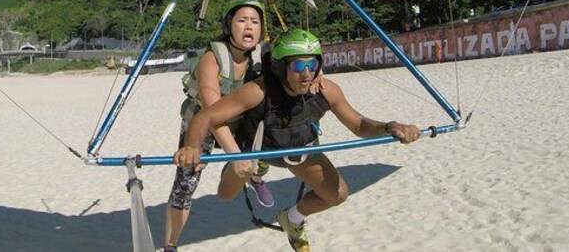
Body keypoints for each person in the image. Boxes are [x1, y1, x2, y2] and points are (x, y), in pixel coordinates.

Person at [174, 29, 421, 252]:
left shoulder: (325, 89)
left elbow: (358, 124)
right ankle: (255, 168)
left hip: (297, 149)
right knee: (226, 194)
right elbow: (206, 116)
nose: (306, 74)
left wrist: (390, 126)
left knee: (337, 194)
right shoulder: (258, 91)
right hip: (258, 149)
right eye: (297, 66)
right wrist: (191, 147)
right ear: (282, 68)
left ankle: (292, 219)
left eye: (312, 65)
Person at [164, 0, 273, 252]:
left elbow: (292, 64)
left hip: (240, 120)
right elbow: (212, 115)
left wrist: (316, 72)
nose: (249, 27)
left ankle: (256, 177)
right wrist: (235, 155)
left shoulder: (262, 54)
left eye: (255, 22)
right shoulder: (212, 59)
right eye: (242, 20)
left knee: (263, 138)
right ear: (229, 25)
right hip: (204, 122)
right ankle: (170, 244)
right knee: (186, 182)